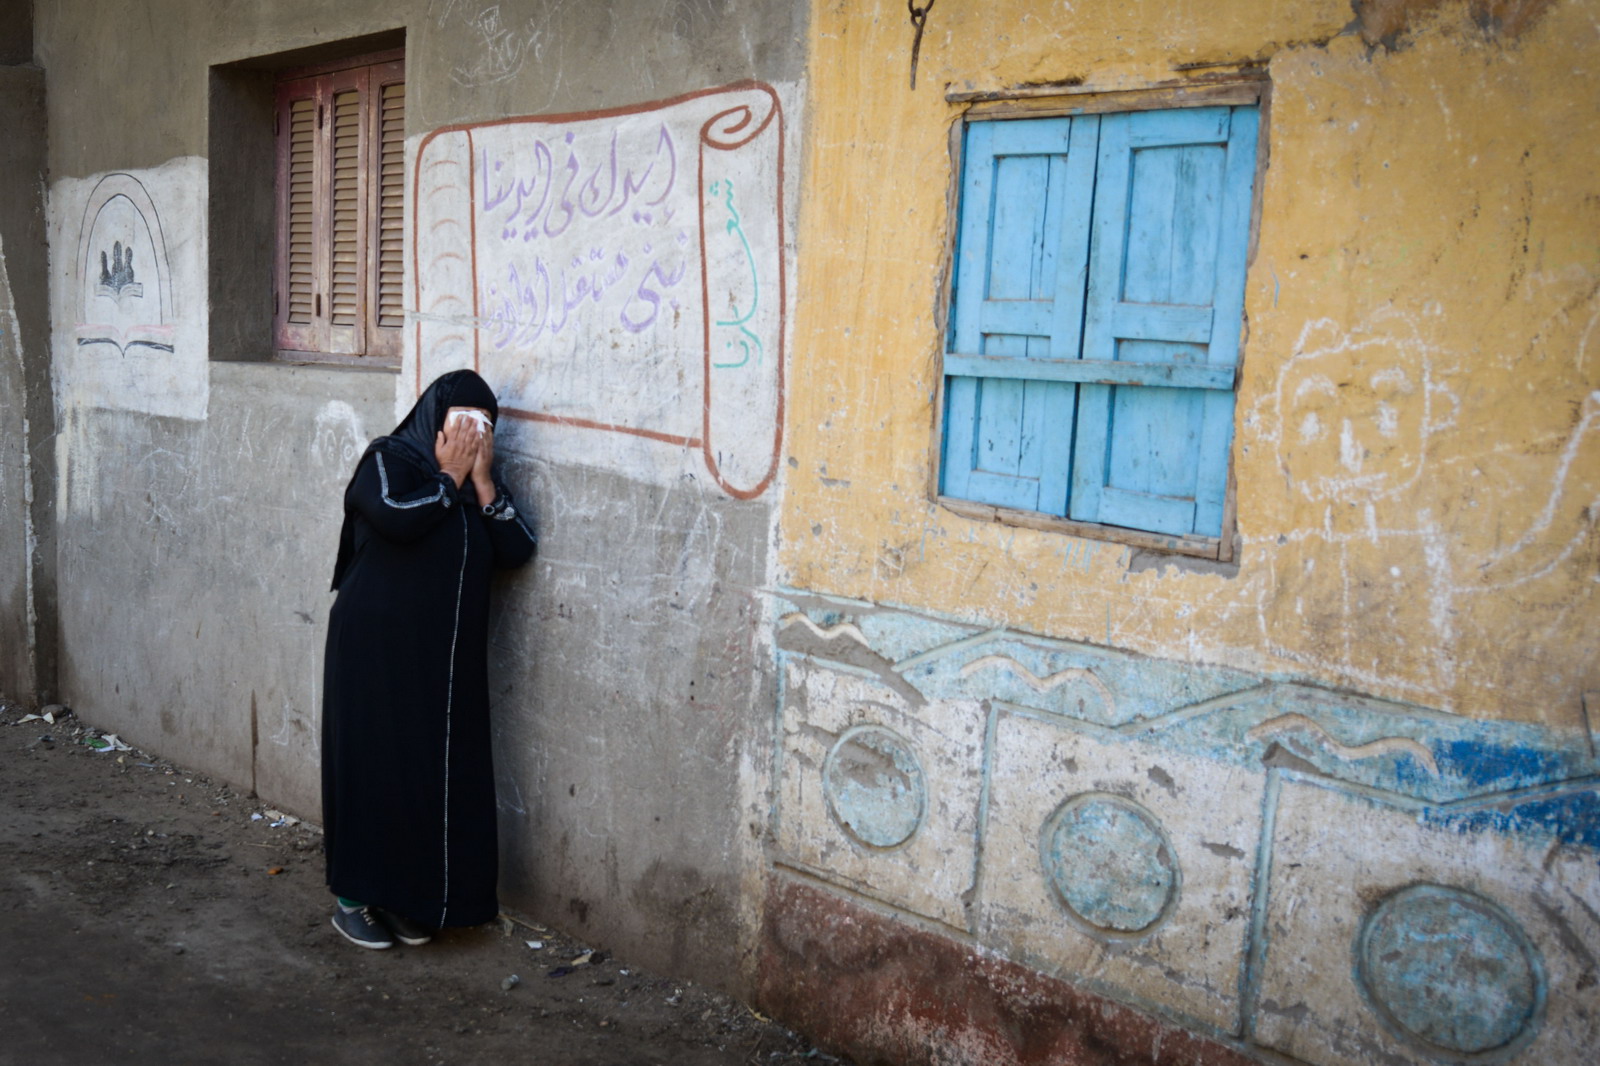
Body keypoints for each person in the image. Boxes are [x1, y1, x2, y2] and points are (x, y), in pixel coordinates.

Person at [320, 369, 536, 949]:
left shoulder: (476, 486)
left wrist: (483, 483)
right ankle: (353, 899)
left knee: (424, 779)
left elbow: (518, 550)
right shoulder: (388, 461)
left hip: (441, 665)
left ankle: (407, 897)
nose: (471, 436)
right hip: (374, 650)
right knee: (372, 766)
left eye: (484, 427)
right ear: (432, 417)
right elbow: (395, 514)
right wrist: (449, 478)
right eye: (461, 422)